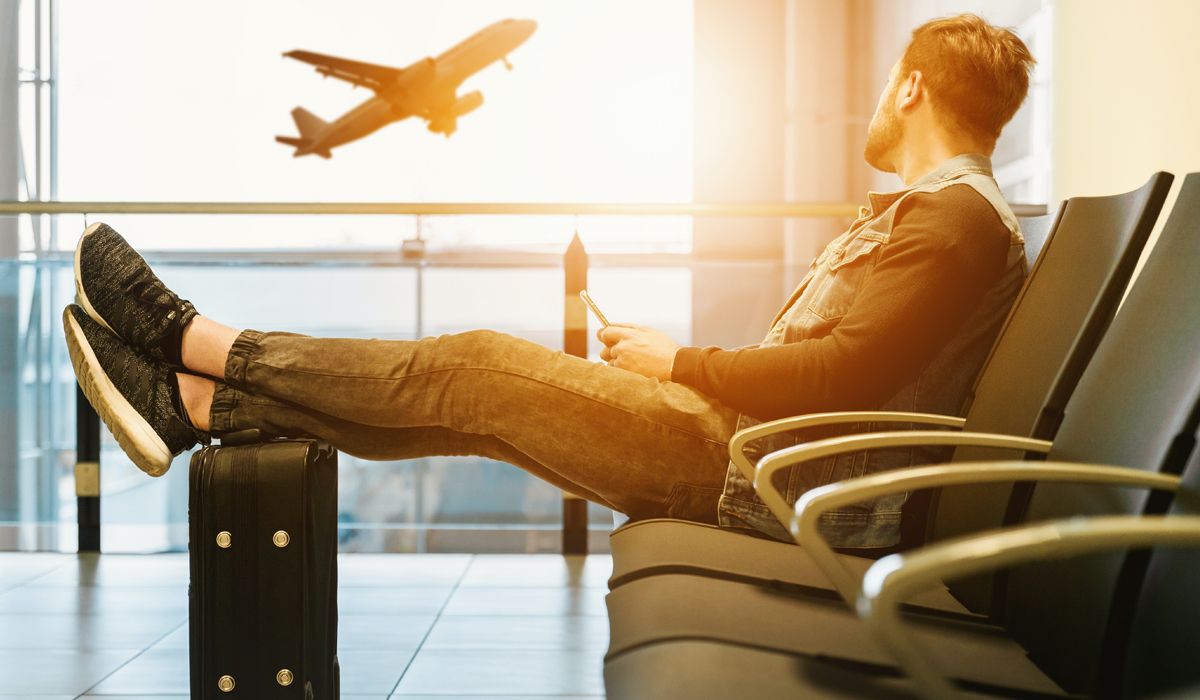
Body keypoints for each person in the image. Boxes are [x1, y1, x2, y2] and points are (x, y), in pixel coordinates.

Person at [64, 14, 1035, 548]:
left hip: (755, 474)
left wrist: (680, 362)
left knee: (472, 366)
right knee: (472, 411)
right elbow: (845, 370)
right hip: (753, 458)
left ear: (912, 87)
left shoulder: (953, 219)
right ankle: (196, 405)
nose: (878, 100)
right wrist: (681, 366)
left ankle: (191, 339)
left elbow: (840, 376)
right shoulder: (947, 218)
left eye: (888, 84)